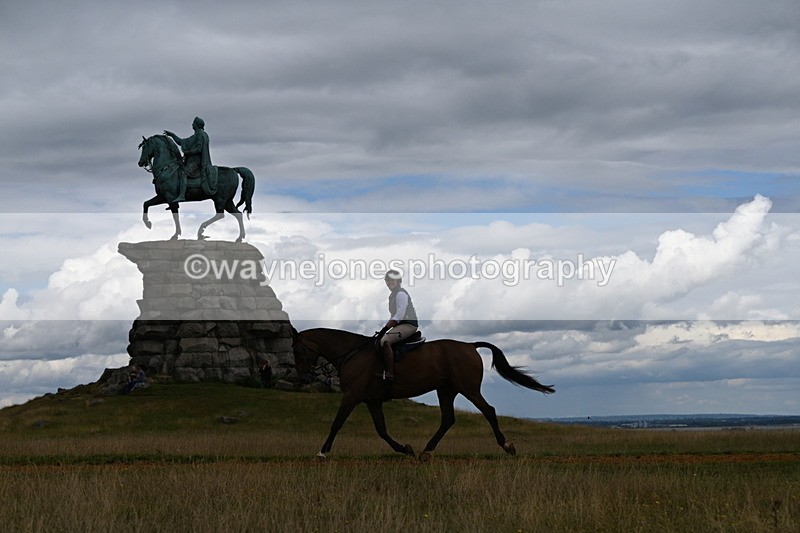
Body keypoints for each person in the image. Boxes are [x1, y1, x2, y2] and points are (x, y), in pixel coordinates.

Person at [378, 270, 418, 381]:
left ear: (398, 281)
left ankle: (390, 372)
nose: (390, 282)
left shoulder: (400, 293)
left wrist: (386, 328)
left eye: (392, 280)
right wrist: (386, 327)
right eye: (388, 280)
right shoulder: (393, 295)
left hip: (409, 325)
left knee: (384, 341)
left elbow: (400, 314)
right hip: (401, 325)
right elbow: (394, 316)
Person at [163, 116, 215, 202]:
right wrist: (172, 135)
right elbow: (181, 142)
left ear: (197, 125)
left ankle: (182, 196)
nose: (192, 125)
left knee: (183, 173)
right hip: (192, 161)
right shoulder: (196, 135)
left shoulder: (201, 135)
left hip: (197, 162)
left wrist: (188, 152)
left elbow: (199, 149)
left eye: (193, 123)